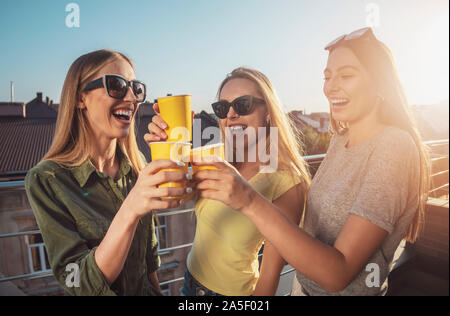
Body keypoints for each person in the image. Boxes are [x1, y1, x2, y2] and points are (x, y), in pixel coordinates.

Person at [193, 28, 431, 296]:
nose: (331, 86)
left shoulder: (394, 146)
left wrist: (249, 200)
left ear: (381, 83)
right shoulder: (340, 140)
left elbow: (337, 275)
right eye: (327, 77)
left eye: (347, 75)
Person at [25, 49, 191, 296]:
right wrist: (130, 209)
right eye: (116, 85)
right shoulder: (47, 180)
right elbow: (79, 283)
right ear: (81, 98)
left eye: (136, 89)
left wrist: (176, 147)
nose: (131, 98)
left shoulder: (137, 166)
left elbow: (148, 266)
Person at [146, 67, 311, 296]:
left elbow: (269, 277)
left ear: (268, 112)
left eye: (243, 104)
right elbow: (169, 193)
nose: (231, 115)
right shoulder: (216, 155)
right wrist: (167, 141)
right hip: (190, 284)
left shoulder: (287, 181)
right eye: (222, 108)